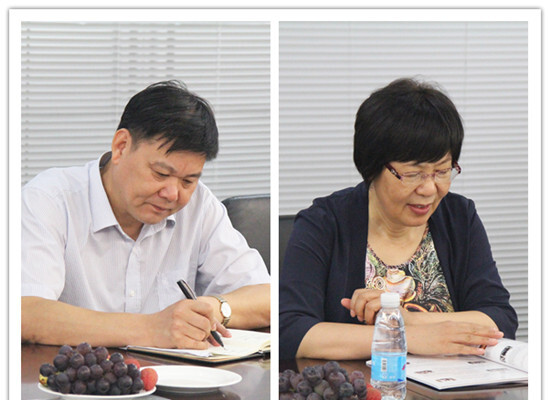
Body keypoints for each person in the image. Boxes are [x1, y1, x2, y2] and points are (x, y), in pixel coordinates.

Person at [279, 78, 518, 360]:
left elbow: (499, 319)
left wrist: (409, 319)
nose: (429, 189)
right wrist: (404, 337)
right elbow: (291, 331)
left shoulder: (459, 217)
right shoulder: (324, 223)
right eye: (413, 174)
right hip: (362, 386)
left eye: (442, 171)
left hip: (453, 386)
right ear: (372, 167)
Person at [22, 80, 270, 349]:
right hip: (79, 373)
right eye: (160, 174)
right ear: (121, 146)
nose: (172, 193)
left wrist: (213, 309)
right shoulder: (48, 200)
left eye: (188, 181)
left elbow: (266, 297)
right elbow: (24, 312)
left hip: (179, 374)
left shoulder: (199, 205)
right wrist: (151, 328)